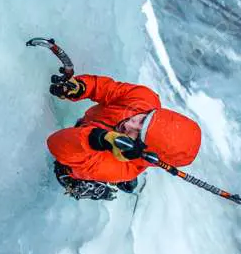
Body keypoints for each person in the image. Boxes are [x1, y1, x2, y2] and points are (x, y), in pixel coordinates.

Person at [47, 74, 202, 200]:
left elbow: (56, 143)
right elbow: (106, 89)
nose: (129, 124)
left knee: (63, 171)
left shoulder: (119, 168)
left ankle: (91, 187)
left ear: (143, 150)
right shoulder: (144, 99)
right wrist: (82, 87)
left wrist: (99, 139)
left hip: (77, 155)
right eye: (143, 119)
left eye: (138, 135)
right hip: (88, 126)